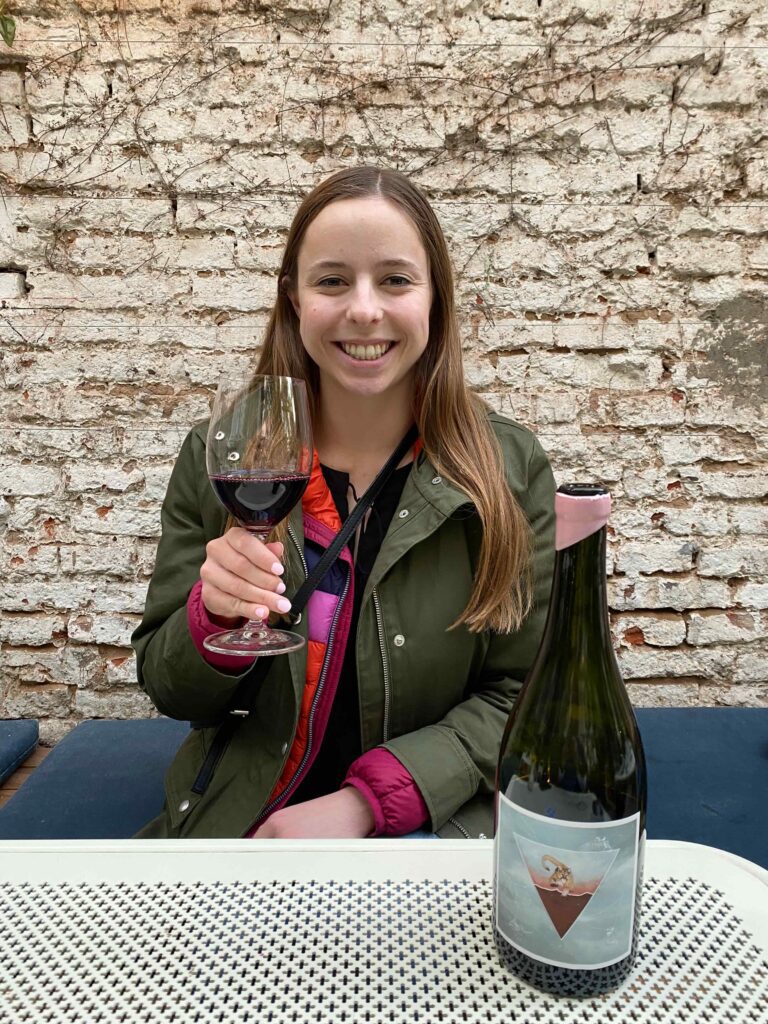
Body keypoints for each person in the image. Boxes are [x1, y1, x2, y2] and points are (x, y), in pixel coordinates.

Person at [131, 166, 556, 840]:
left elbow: (528, 697)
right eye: (332, 280)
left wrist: (365, 803)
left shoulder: (508, 469)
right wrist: (210, 620)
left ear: (434, 300)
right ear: (295, 299)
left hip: (432, 830)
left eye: (394, 280)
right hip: (243, 830)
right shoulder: (216, 456)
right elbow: (168, 687)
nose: (363, 309)